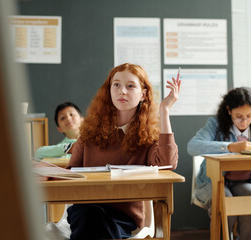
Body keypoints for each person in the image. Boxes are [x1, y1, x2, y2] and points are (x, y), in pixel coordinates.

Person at [66, 63, 181, 239]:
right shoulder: (89, 131)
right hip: (85, 209)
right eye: (116, 85)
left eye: (130, 86)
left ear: (143, 94)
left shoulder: (149, 135)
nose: (122, 91)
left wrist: (164, 111)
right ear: (109, 90)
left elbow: (167, 163)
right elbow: (70, 173)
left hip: (123, 217)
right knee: (91, 216)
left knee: (99, 224)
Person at [187, 87, 251, 240]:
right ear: (229, 110)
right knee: (225, 202)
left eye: (249, 116)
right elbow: (193, 146)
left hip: (245, 182)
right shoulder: (215, 124)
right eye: (238, 116)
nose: (244, 121)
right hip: (214, 181)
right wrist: (229, 147)